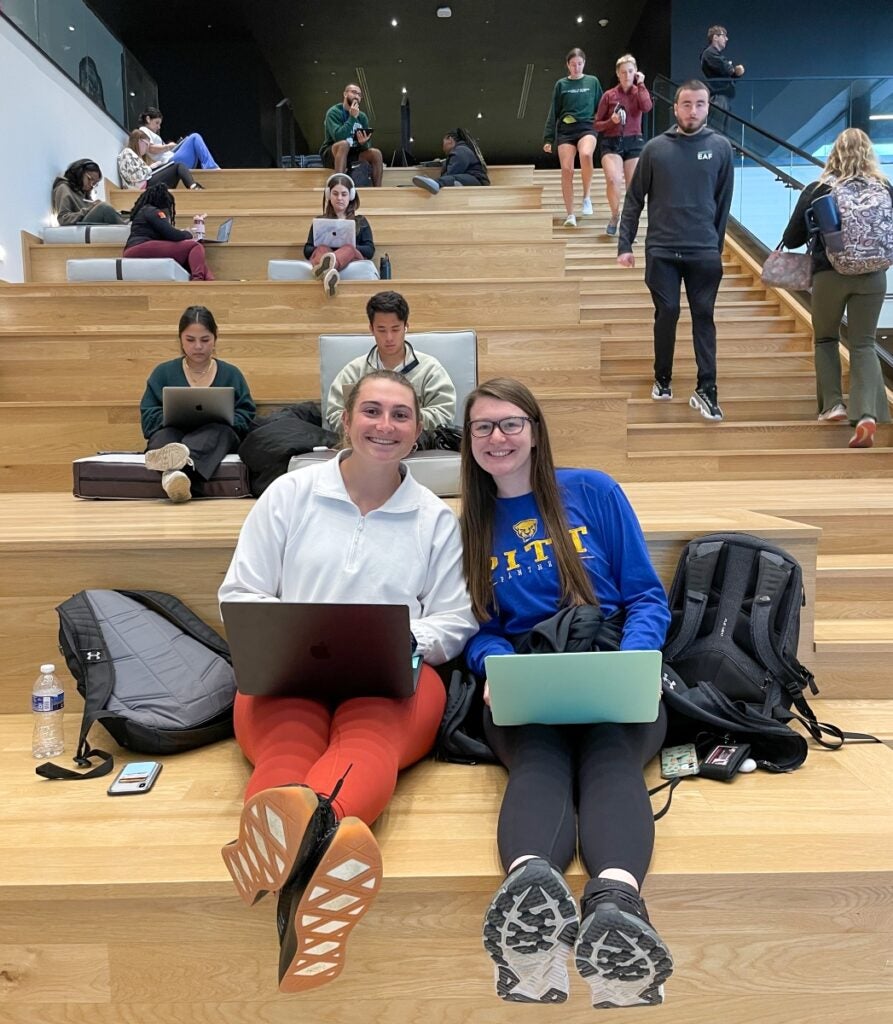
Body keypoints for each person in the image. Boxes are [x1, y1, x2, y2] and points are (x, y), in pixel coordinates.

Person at [217, 369, 477, 993]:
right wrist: (293, 633)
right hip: (286, 675)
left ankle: (278, 852)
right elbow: (241, 594)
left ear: (417, 431)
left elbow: (455, 616)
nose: (385, 426)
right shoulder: (288, 495)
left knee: (367, 742)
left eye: (400, 415)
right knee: (287, 746)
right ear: (346, 419)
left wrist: (404, 641)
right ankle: (316, 871)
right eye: (372, 411)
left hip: (393, 680)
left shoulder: (434, 519)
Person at [459, 377, 674, 1009]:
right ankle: (532, 905)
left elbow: (644, 595)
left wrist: (631, 663)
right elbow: (481, 630)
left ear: (534, 429)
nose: (497, 438)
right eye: (483, 428)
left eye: (510, 424)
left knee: (610, 756)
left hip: (611, 657)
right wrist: (497, 667)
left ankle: (614, 905)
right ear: (469, 442)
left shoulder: (593, 491)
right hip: (528, 670)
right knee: (539, 760)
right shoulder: (471, 523)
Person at [617, 80, 733, 421]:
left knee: (703, 316)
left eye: (699, 104)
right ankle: (662, 378)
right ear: (675, 107)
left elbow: (723, 203)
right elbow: (635, 198)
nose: (692, 110)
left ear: (708, 107)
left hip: (703, 250)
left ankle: (707, 388)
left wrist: (716, 245)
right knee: (667, 312)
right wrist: (626, 244)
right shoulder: (655, 149)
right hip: (662, 250)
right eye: (686, 104)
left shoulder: (722, 148)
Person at [781, 127, 891, 447]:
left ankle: (832, 405)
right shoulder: (884, 187)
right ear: (870, 154)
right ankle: (866, 413)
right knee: (864, 343)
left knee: (826, 338)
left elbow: (792, 238)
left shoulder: (818, 188)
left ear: (834, 154)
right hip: (873, 276)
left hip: (829, 275)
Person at [139, 305, 255, 502]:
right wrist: (171, 416)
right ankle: (178, 477)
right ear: (180, 339)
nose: (198, 346)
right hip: (173, 431)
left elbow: (246, 414)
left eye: (205, 340)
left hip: (214, 435)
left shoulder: (231, 374)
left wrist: (225, 418)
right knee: (164, 436)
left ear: (215, 338)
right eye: (190, 340)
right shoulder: (163, 372)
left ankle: (173, 474)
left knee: (219, 432)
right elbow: (148, 417)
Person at [325, 291, 456, 432]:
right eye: (381, 330)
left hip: (416, 448)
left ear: (406, 327)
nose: (389, 337)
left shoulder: (430, 369)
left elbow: (445, 413)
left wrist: (402, 418)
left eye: (395, 329)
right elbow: (334, 415)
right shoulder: (353, 372)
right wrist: (370, 423)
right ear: (371, 329)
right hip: (367, 448)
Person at [543, 48, 603, 228]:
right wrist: (548, 138)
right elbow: (553, 111)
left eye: (579, 64)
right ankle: (570, 214)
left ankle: (586, 196)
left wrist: (607, 128)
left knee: (585, 155)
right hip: (566, 129)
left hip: (587, 126)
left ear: (584, 63)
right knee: (567, 170)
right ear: (567, 65)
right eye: (573, 64)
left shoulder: (592, 82)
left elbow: (601, 107)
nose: (576, 67)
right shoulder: (561, 84)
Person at [594, 55, 652, 237]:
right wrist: (611, 122)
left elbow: (647, 106)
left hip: (634, 141)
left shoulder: (639, 91)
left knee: (633, 186)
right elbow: (596, 124)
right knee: (613, 179)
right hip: (611, 142)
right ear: (617, 74)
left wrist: (641, 84)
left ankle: (628, 223)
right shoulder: (609, 95)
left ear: (635, 72)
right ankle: (614, 215)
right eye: (623, 72)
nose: (627, 75)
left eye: (630, 71)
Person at [124, 182, 215, 281]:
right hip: (139, 247)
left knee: (189, 252)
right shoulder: (152, 211)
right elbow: (172, 234)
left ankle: (210, 281)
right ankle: (198, 281)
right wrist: (188, 234)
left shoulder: (146, 211)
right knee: (195, 246)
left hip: (137, 249)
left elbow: (169, 235)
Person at [303, 173, 374, 297]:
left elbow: (370, 250)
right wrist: (324, 244)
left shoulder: (360, 221)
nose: (339, 198)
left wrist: (348, 246)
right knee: (322, 248)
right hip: (323, 254)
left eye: (344, 194)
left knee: (349, 248)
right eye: (335, 194)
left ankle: (327, 268)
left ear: (351, 196)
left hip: (352, 256)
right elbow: (307, 250)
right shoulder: (319, 222)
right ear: (328, 195)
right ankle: (329, 274)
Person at [320, 83, 383, 187]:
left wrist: (364, 143)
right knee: (344, 144)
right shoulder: (333, 112)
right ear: (345, 94)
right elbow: (338, 137)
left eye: (359, 95)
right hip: (333, 153)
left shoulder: (362, 117)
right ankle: (338, 185)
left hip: (353, 153)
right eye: (353, 92)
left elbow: (367, 145)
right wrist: (352, 117)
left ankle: (378, 190)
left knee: (376, 153)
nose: (357, 96)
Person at [137, 106, 220, 169]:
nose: (159, 127)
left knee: (188, 139)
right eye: (157, 123)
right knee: (195, 137)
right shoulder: (143, 130)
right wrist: (168, 146)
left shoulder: (150, 132)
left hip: (172, 158)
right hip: (170, 162)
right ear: (148, 119)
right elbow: (150, 148)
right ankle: (211, 167)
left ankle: (210, 166)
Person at [117, 129, 202, 191]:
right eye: (146, 144)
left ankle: (192, 186)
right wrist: (151, 167)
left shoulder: (132, 155)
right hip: (142, 185)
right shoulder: (127, 152)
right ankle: (193, 186)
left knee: (173, 167)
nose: (147, 148)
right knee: (178, 166)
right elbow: (135, 176)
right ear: (139, 141)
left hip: (144, 183)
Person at [412, 129, 490, 194]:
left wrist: (441, 180)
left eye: (443, 142)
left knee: (451, 178)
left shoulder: (461, 150)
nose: (443, 146)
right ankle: (445, 183)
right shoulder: (461, 150)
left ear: (450, 139)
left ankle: (437, 183)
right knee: (452, 179)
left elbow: (453, 171)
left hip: (476, 181)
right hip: (472, 180)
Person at [51, 159, 126, 226]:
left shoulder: (84, 193)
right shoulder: (63, 188)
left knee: (125, 217)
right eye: (89, 179)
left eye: (94, 183)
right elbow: (63, 219)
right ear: (79, 173)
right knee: (104, 207)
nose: (91, 185)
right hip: (77, 228)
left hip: (84, 225)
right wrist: (89, 209)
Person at [699, 25, 745, 130]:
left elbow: (730, 72)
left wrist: (734, 71)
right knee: (716, 130)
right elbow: (729, 70)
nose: (726, 39)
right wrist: (734, 70)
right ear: (715, 37)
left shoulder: (714, 54)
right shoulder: (709, 53)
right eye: (724, 36)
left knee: (722, 131)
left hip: (722, 98)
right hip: (718, 98)